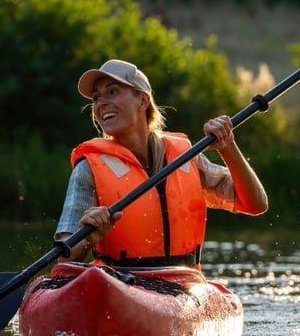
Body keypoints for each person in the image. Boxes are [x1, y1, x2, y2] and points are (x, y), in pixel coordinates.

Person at [54, 58, 268, 268]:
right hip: (119, 282)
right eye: (96, 98)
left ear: (143, 101)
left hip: (183, 283)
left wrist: (228, 147)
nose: (101, 103)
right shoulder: (89, 167)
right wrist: (90, 236)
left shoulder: (185, 156)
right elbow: (64, 261)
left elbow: (255, 204)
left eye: (112, 92)